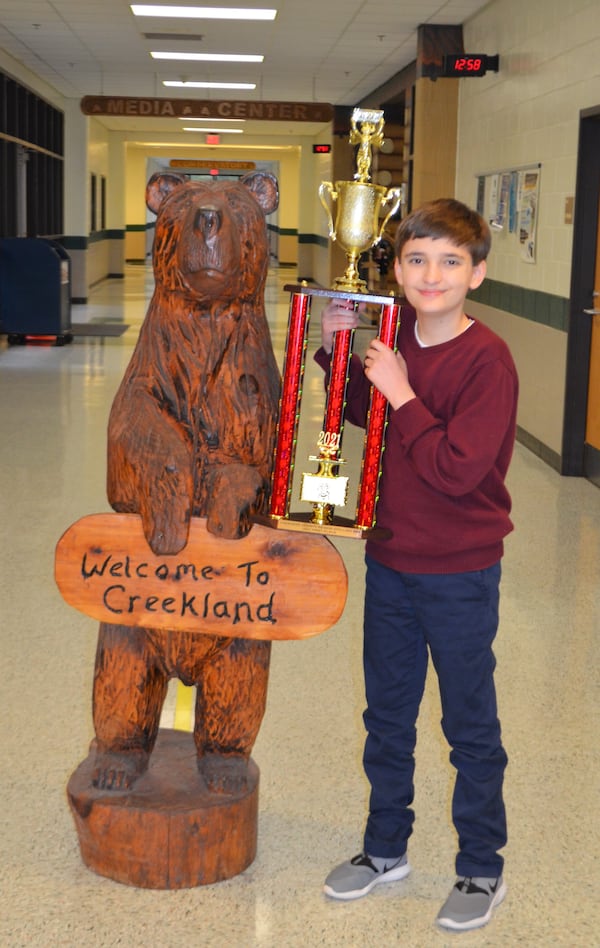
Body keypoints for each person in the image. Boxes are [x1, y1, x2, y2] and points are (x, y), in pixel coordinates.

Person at [314, 198, 518, 932]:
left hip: (460, 572)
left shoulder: (487, 358)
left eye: (451, 261)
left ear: (478, 274)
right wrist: (339, 350)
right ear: (397, 269)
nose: (433, 274)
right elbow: (375, 421)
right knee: (388, 715)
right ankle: (384, 849)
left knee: (469, 725)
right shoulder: (397, 339)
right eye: (418, 259)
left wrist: (399, 390)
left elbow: (459, 469)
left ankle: (481, 868)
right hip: (392, 561)